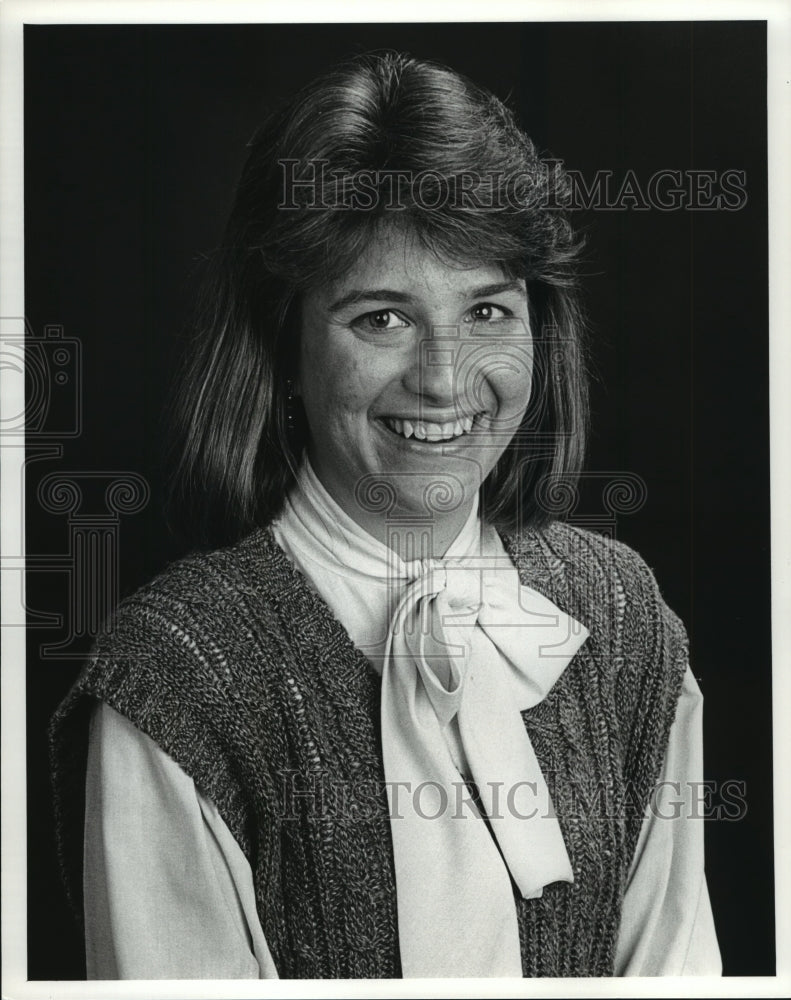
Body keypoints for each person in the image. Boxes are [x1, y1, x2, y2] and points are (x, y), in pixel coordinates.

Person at [49, 51, 721, 979]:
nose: (445, 380)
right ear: (281, 344)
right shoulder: (178, 679)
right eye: (381, 319)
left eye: (487, 310)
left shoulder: (623, 619)